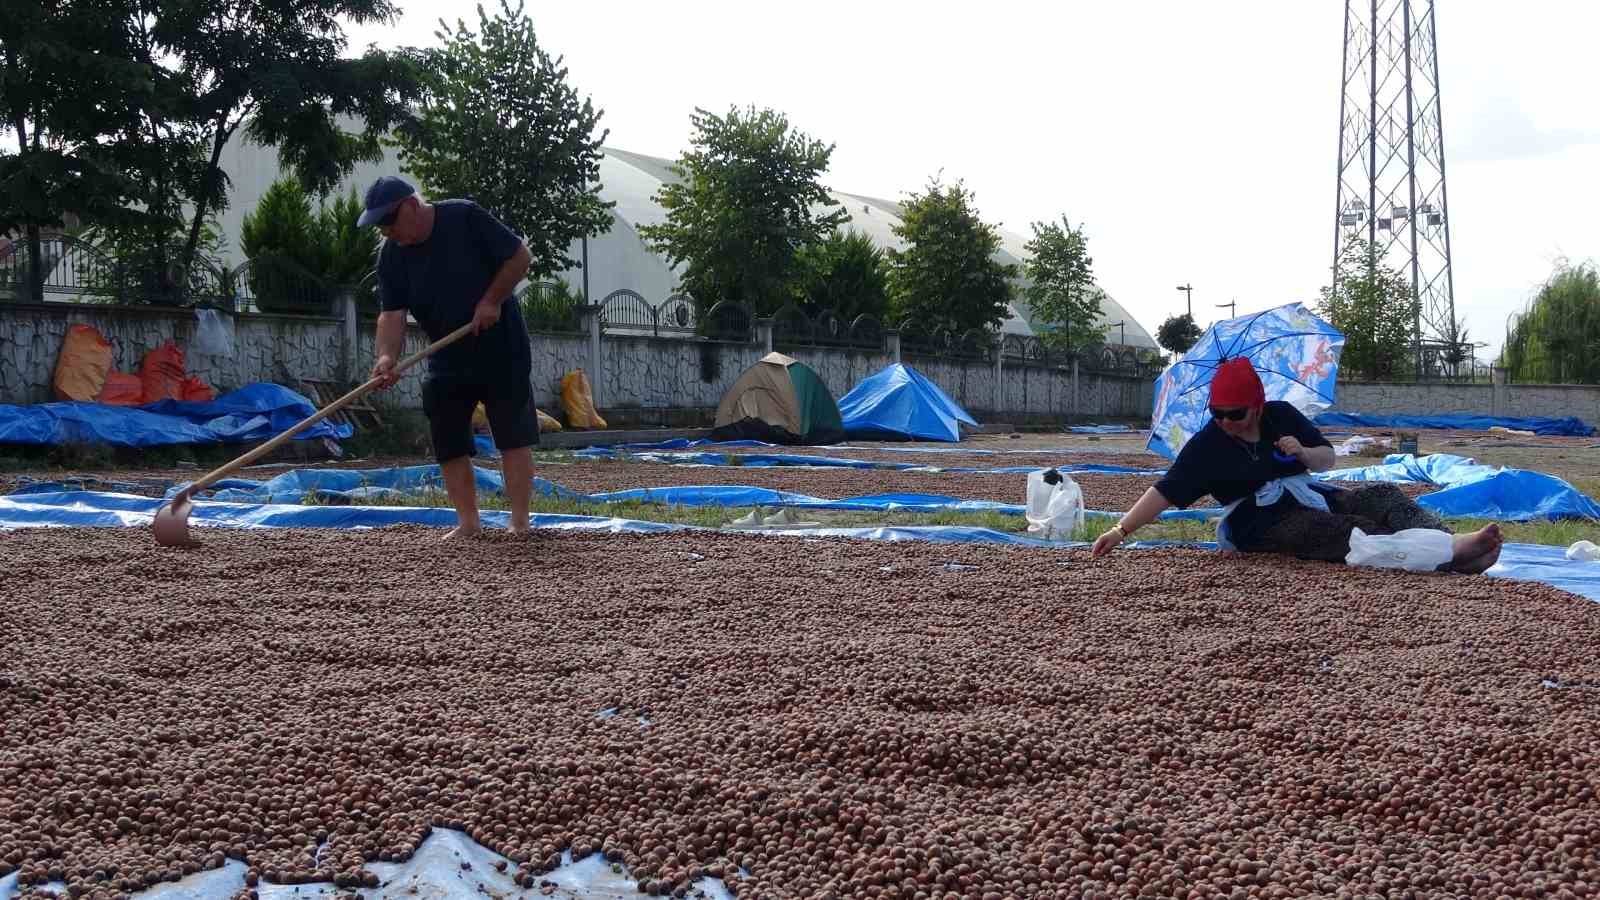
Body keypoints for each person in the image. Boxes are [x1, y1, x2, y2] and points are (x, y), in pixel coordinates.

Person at [1090, 357, 1503, 573]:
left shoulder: (1282, 415)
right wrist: (1120, 529)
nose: (1224, 421)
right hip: (1258, 521)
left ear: (1256, 405)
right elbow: (1165, 490)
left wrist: (1303, 454)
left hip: (1310, 492)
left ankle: (1445, 542)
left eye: (1234, 412)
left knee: (1382, 494)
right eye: (1217, 412)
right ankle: (1448, 554)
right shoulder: (1208, 445)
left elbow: (1327, 460)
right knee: (1343, 532)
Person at [360, 175, 538, 540]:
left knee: (512, 433)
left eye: (388, 222)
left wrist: (492, 300)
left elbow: (520, 256)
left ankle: (519, 522)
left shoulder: (464, 218)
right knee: (447, 435)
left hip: (501, 346)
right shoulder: (391, 255)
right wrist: (385, 358)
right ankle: (468, 524)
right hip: (446, 351)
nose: (386, 232)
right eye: (379, 226)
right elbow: (392, 314)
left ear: (410, 207)